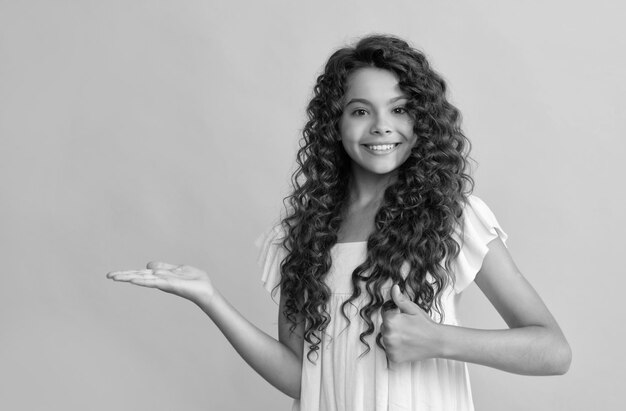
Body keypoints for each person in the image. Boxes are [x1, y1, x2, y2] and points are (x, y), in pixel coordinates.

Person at [107, 34, 571, 411]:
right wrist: (210, 299)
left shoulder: (453, 218)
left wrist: (440, 339)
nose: (381, 126)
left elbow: (553, 350)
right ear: (336, 122)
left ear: (422, 120)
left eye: (400, 108)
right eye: (360, 110)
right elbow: (296, 374)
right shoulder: (300, 234)